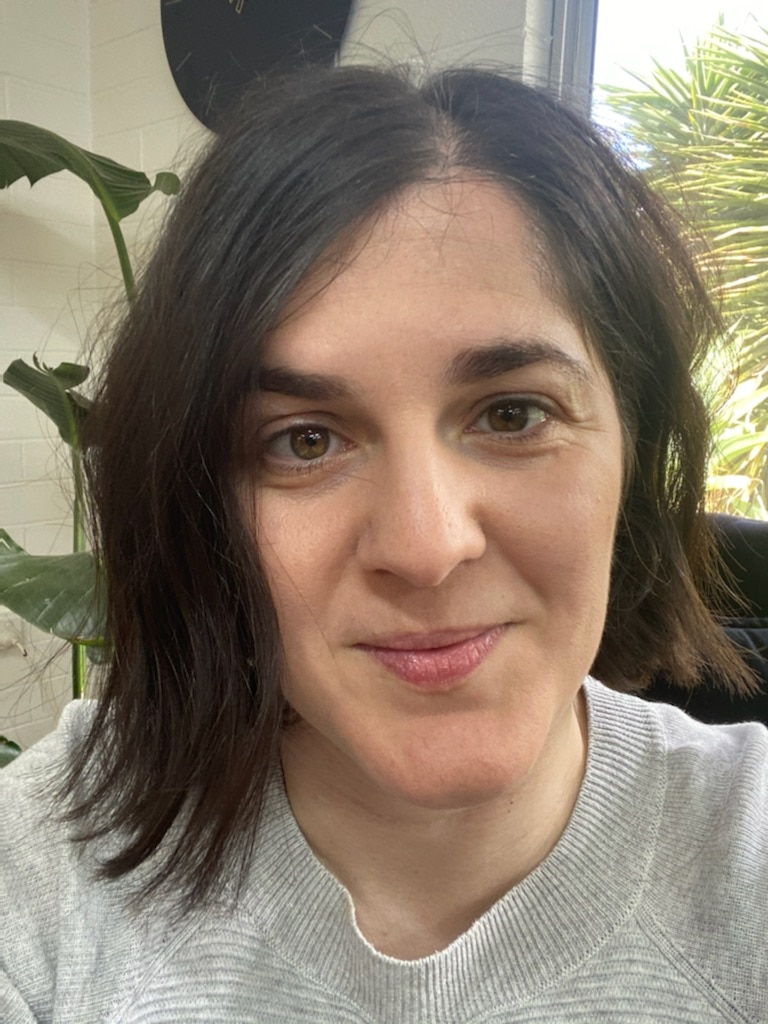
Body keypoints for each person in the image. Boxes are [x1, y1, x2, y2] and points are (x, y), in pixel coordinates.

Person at [1, 64, 767, 1024]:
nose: (426, 545)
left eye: (514, 413)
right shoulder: (50, 867)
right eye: (304, 441)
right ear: (201, 508)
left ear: (636, 449)